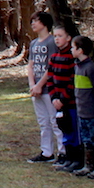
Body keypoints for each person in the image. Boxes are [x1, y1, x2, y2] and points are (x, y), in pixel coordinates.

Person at [26, 11, 63, 164]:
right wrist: (32, 85)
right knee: (43, 122)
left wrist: (40, 85)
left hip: (49, 88)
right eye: (32, 21)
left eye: (36, 21)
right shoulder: (33, 43)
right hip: (36, 90)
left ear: (45, 23)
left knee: (55, 121)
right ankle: (47, 152)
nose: (33, 24)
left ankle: (63, 152)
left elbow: (51, 66)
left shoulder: (52, 42)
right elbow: (30, 65)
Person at [71, 35, 94, 178]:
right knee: (86, 139)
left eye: (73, 47)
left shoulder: (91, 69)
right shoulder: (77, 67)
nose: (71, 50)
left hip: (92, 112)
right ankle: (88, 165)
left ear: (80, 50)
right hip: (82, 111)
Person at [49, 25, 82, 172]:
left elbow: (72, 81)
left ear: (68, 38)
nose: (57, 39)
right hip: (58, 102)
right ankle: (68, 158)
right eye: (55, 36)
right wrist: (54, 98)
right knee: (64, 129)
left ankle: (77, 159)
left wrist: (63, 99)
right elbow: (50, 79)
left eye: (60, 36)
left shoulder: (71, 57)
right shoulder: (55, 57)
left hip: (71, 102)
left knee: (73, 130)